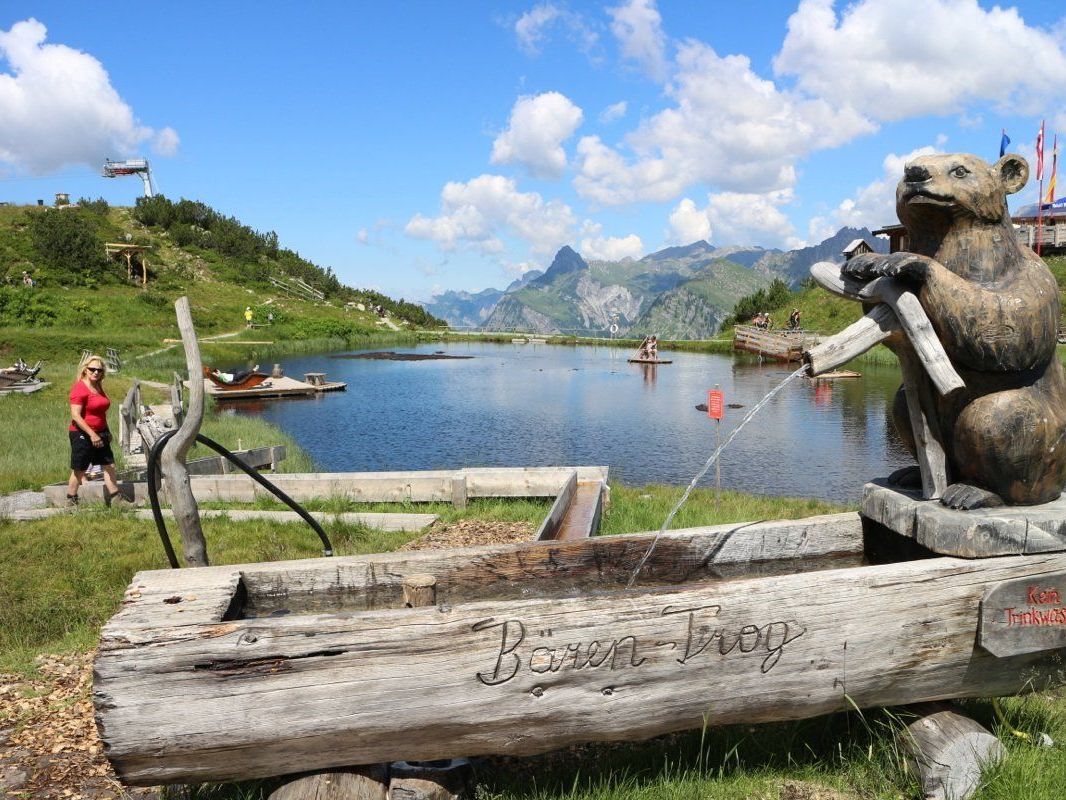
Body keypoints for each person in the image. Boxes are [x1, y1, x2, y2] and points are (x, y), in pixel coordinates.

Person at [67, 355, 123, 507]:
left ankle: (116, 499)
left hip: (100, 432)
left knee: (109, 465)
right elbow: (76, 416)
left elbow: (100, 413)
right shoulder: (80, 388)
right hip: (82, 433)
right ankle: (71, 500)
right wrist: (92, 435)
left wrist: (107, 431)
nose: (96, 372)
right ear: (85, 370)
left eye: (99, 370)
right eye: (92, 369)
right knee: (80, 469)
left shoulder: (98, 386)